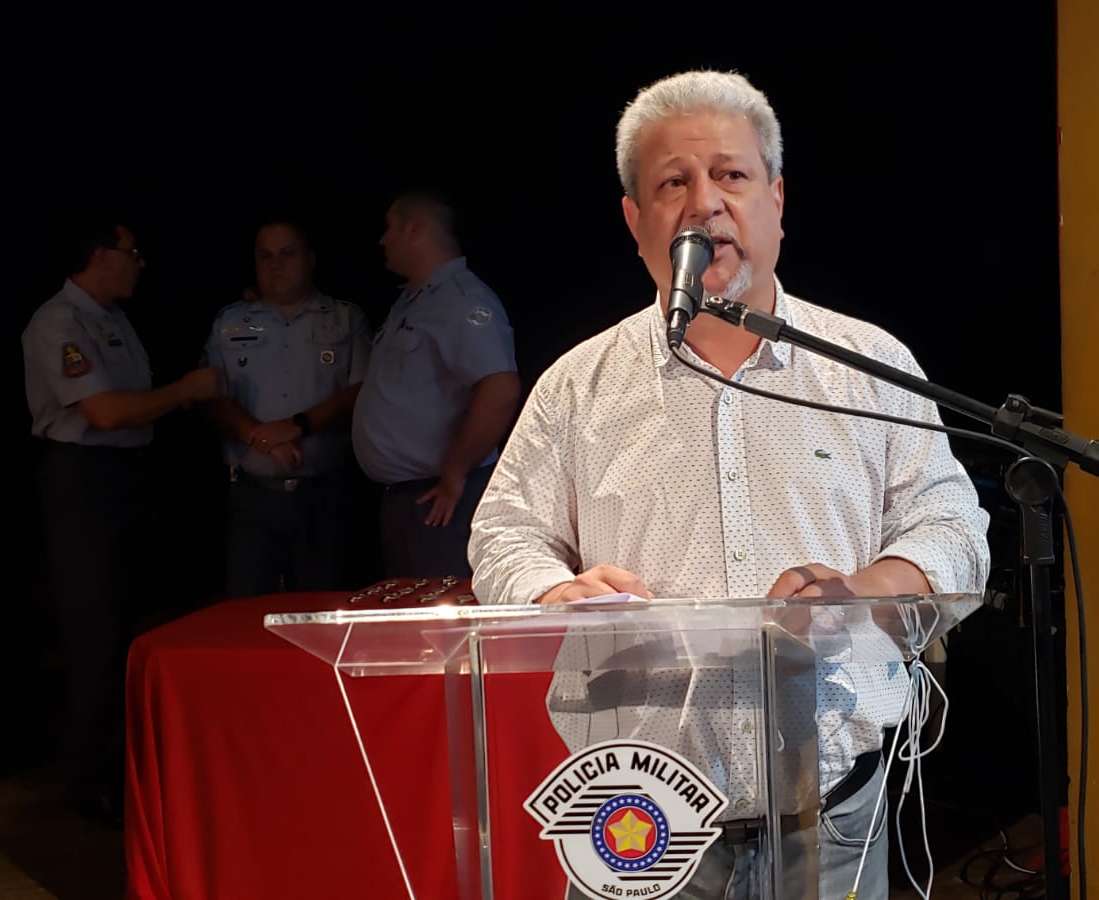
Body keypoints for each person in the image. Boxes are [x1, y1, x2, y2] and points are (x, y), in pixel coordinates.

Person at [466, 70, 991, 898]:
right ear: (635, 220)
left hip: (830, 817)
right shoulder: (578, 385)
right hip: (636, 821)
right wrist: (553, 591)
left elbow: (953, 527)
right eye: (672, 183)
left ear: (776, 200)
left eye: (731, 175)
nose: (704, 204)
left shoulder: (869, 365)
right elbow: (503, 532)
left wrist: (862, 591)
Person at [21, 216, 221, 826]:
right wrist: (186, 390)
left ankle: (125, 772)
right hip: (84, 481)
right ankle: (92, 783)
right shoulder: (60, 322)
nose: (140, 262)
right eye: (131, 251)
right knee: (96, 635)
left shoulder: (113, 320)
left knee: (129, 627)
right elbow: (105, 412)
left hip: (125, 478)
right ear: (99, 254)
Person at [198, 219, 373, 597]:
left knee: (325, 609)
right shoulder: (229, 322)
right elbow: (210, 397)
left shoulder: (346, 319)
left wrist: (299, 425)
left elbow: (362, 393)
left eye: (287, 254)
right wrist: (259, 437)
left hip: (325, 494)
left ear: (310, 259)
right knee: (247, 612)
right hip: (252, 497)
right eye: (265, 256)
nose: (276, 265)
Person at [351, 190, 520, 578]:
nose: (382, 240)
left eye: (390, 228)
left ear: (414, 230)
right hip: (407, 498)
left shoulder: (462, 301)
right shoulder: (412, 301)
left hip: (442, 499)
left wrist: (455, 473)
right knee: (408, 608)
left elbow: (500, 388)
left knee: (440, 610)